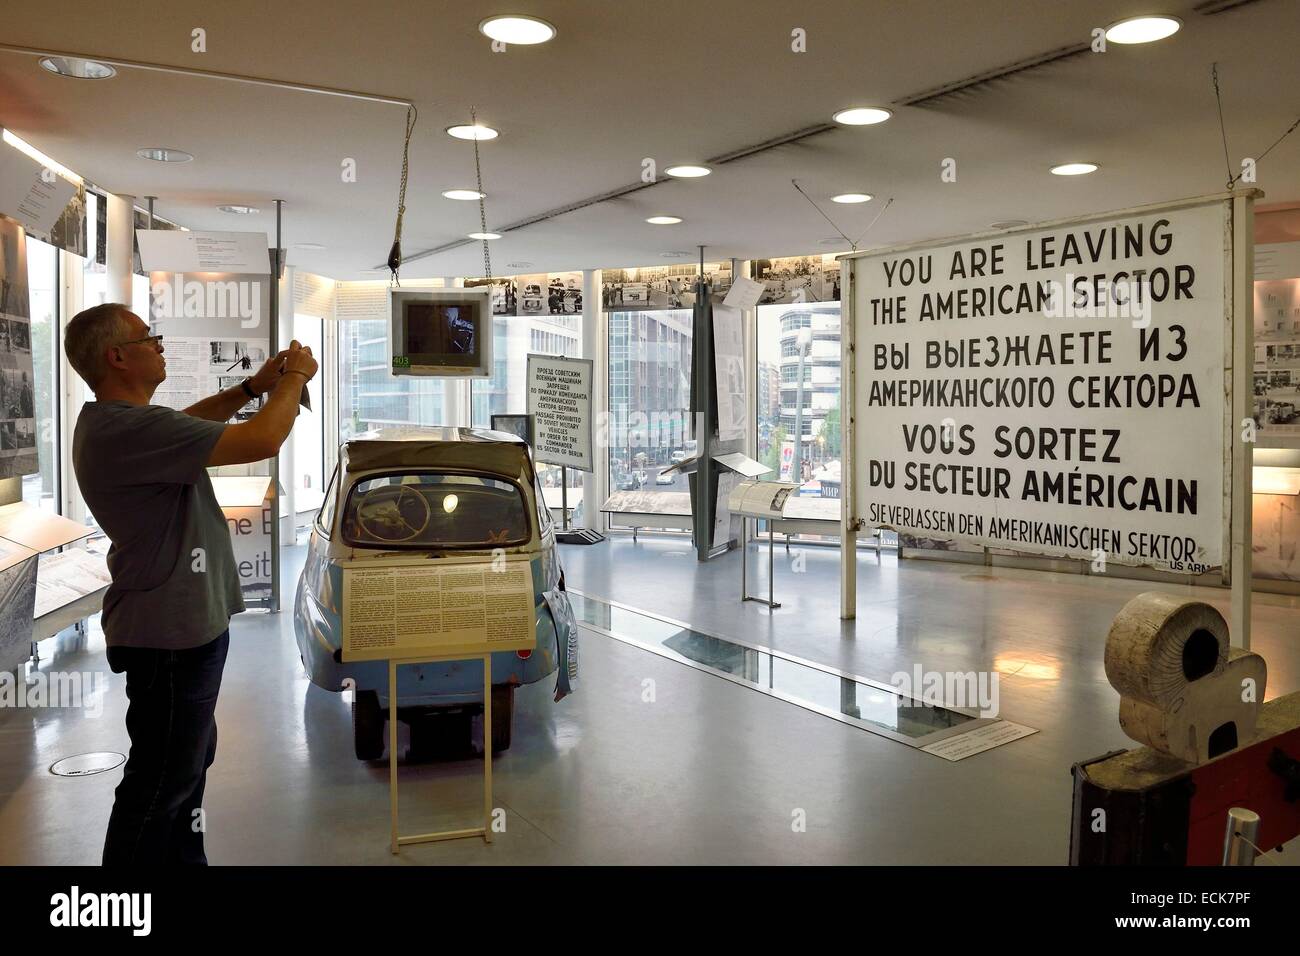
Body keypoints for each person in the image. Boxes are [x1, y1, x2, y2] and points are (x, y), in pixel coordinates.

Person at [64, 303, 318, 865]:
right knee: (160, 784)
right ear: (117, 357)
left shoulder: (124, 425)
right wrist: (295, 378)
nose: (158, 344)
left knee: (186, 766)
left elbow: (194, 423)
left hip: (179, 629)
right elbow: (262, 441)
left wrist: (253, 385)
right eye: (147, 338)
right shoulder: (125, 427)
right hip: (169, 635)